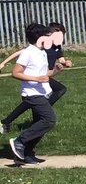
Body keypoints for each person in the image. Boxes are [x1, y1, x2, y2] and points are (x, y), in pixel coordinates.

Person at [2, 22, 70, 134]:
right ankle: (17, 137)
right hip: (34, 86)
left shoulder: (47, 50)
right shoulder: (33, 50)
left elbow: (51, 68)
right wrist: (4, 63)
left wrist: (58, 69)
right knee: (46, 115)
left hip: (42, 84)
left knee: (39, 115)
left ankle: (24, 134)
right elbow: (17, 68)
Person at [6, 23, 59, 164]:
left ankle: (25, 154)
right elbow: (15, 73)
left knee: (38, 123)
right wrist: (36, 79)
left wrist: (57, 70)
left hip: (41, 93)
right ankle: (19, 141)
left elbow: (43, 74)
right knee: (49, 120)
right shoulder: (28, 53)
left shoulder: (41, 52)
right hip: (31, 94)